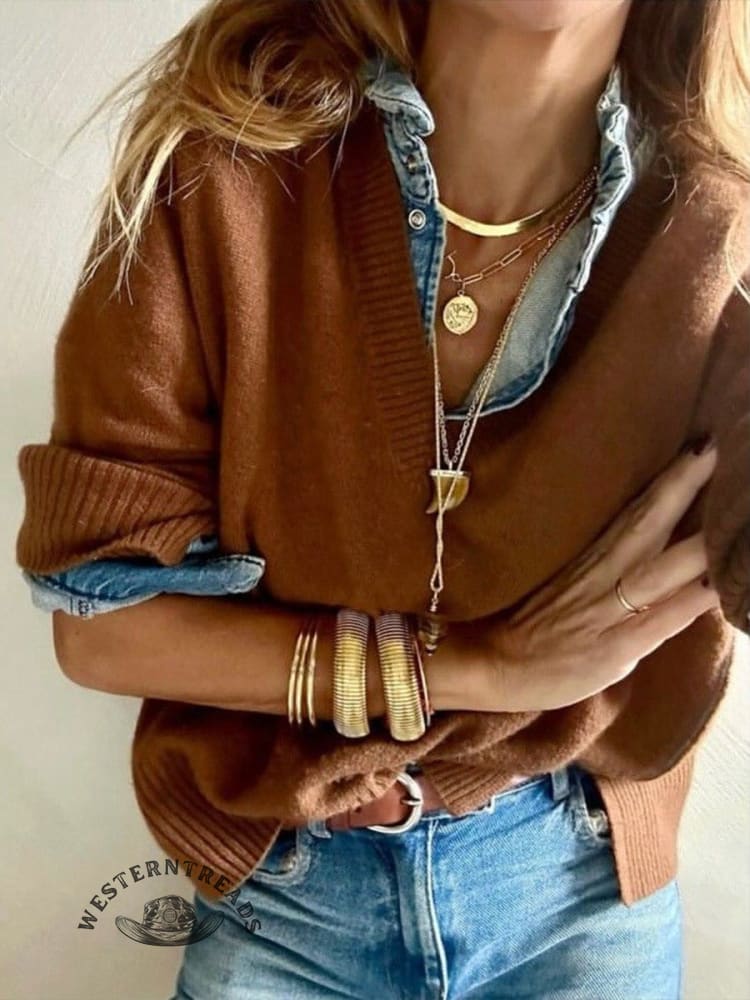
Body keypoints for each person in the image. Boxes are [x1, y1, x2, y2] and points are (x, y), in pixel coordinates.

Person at [14, 0, 749, 997]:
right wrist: (489, 667)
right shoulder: (223, 169)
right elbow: (103, 625)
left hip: (580, 895)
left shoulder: (720, 225)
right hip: (286, 897)